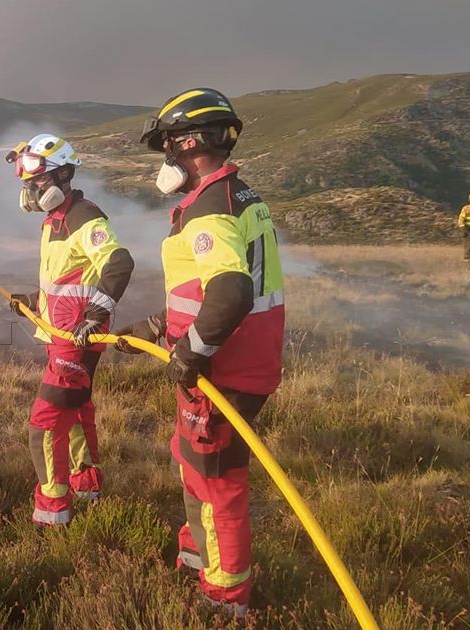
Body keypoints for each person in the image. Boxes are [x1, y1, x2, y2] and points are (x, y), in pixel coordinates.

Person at [117, 88, 285, 617]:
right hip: (236, 360)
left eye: (167, 146)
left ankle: (226, 593)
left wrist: (193, 351)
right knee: (190, 456)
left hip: (225, 370)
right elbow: (203, 289)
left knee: (217, 477)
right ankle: (200, 551)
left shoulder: (209, 208)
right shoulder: (236, 196)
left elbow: (231, 290)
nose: (165, 160)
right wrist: (159, 327)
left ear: (188, 142)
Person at [6, 134, 134, 527]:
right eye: (27, 182)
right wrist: (34, 300)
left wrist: (95, 314)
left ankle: (52, 512)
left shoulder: (84, 217)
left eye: (38, 180)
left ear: (64, 174)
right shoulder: (54, 221)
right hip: (61, 335)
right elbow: (71, 279)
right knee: (76, 414)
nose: (30, 189)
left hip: (76, 342)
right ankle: (87, 484)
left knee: (44, 426)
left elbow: (118, 264)